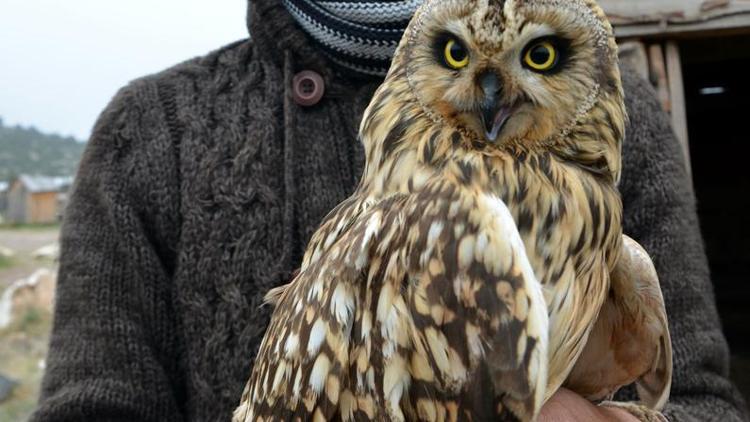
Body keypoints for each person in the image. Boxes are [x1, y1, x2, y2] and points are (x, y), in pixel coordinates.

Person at [31, 0, 749, 421]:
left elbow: (700, 400)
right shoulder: (153, 132)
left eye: (540, 60)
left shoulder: (616, 175)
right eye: (453, 55)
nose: (493, 93)